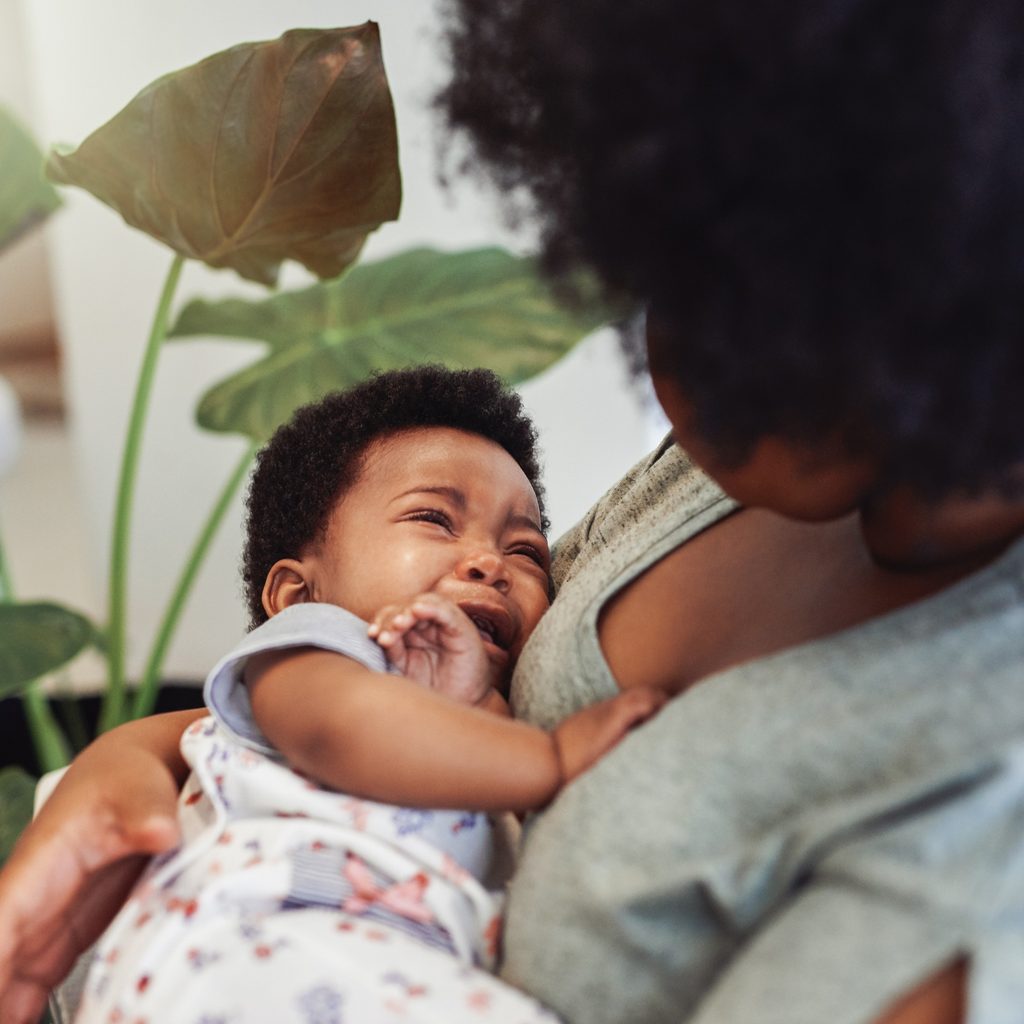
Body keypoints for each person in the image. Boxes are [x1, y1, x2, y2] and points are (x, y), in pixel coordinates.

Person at [3, 0, 1024, 1021]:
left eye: (526, 546)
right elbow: (318, 723)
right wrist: (117, 764)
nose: (493, 561)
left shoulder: (978, 827)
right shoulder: (725, 479)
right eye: (669, 265)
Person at [70, 365, 662, 1023]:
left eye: (525, 552)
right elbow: (342, 727)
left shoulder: (505, 725)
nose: (490, 563)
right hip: (255, 949)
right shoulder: (317, 646)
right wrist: (551, 762)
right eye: (435, 518)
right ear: (298, 593)